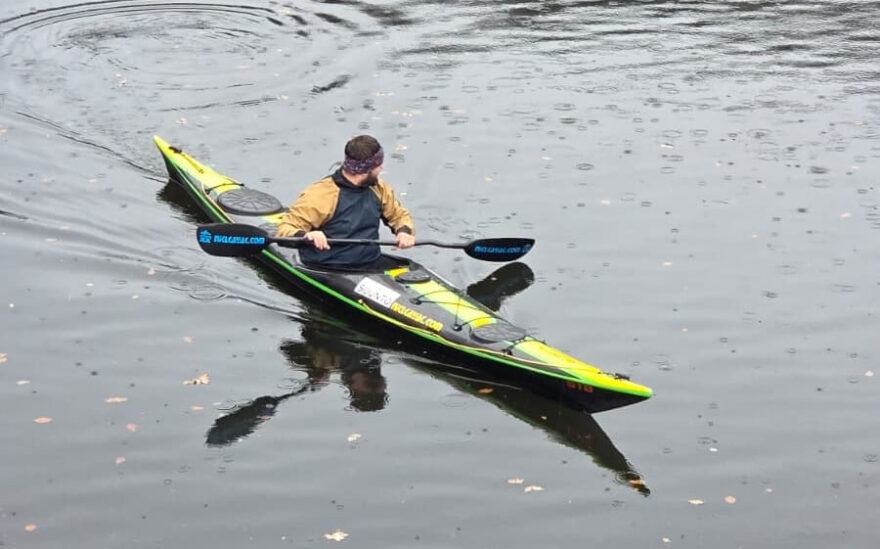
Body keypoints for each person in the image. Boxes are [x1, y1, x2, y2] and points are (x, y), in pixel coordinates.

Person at [276, 135, 415, 268]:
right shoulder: (320, 194)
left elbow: (399, 216)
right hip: (327, 266)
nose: (381, 169)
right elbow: (285, 230)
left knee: (410, 268)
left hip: (369, 261)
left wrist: (404, 232)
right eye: (379, 165)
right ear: (368, 169)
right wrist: (307, 235)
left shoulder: (378, 188)